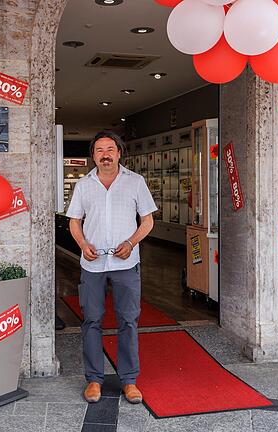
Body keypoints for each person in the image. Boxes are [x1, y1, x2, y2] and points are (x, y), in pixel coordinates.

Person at [65, 131, 157, 404]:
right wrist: (82, 244)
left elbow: (147, 221)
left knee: (128, 320)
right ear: (93, 156)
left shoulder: (136, 182)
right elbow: (74, 221)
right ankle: (94, 379)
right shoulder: (84, 185)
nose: (105, 154)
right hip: (92, 265)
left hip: (126, 263)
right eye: (99, 150)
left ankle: (129, 380)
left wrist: (131, 242)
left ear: (119, 153)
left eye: (110, 149)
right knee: (92, 320)